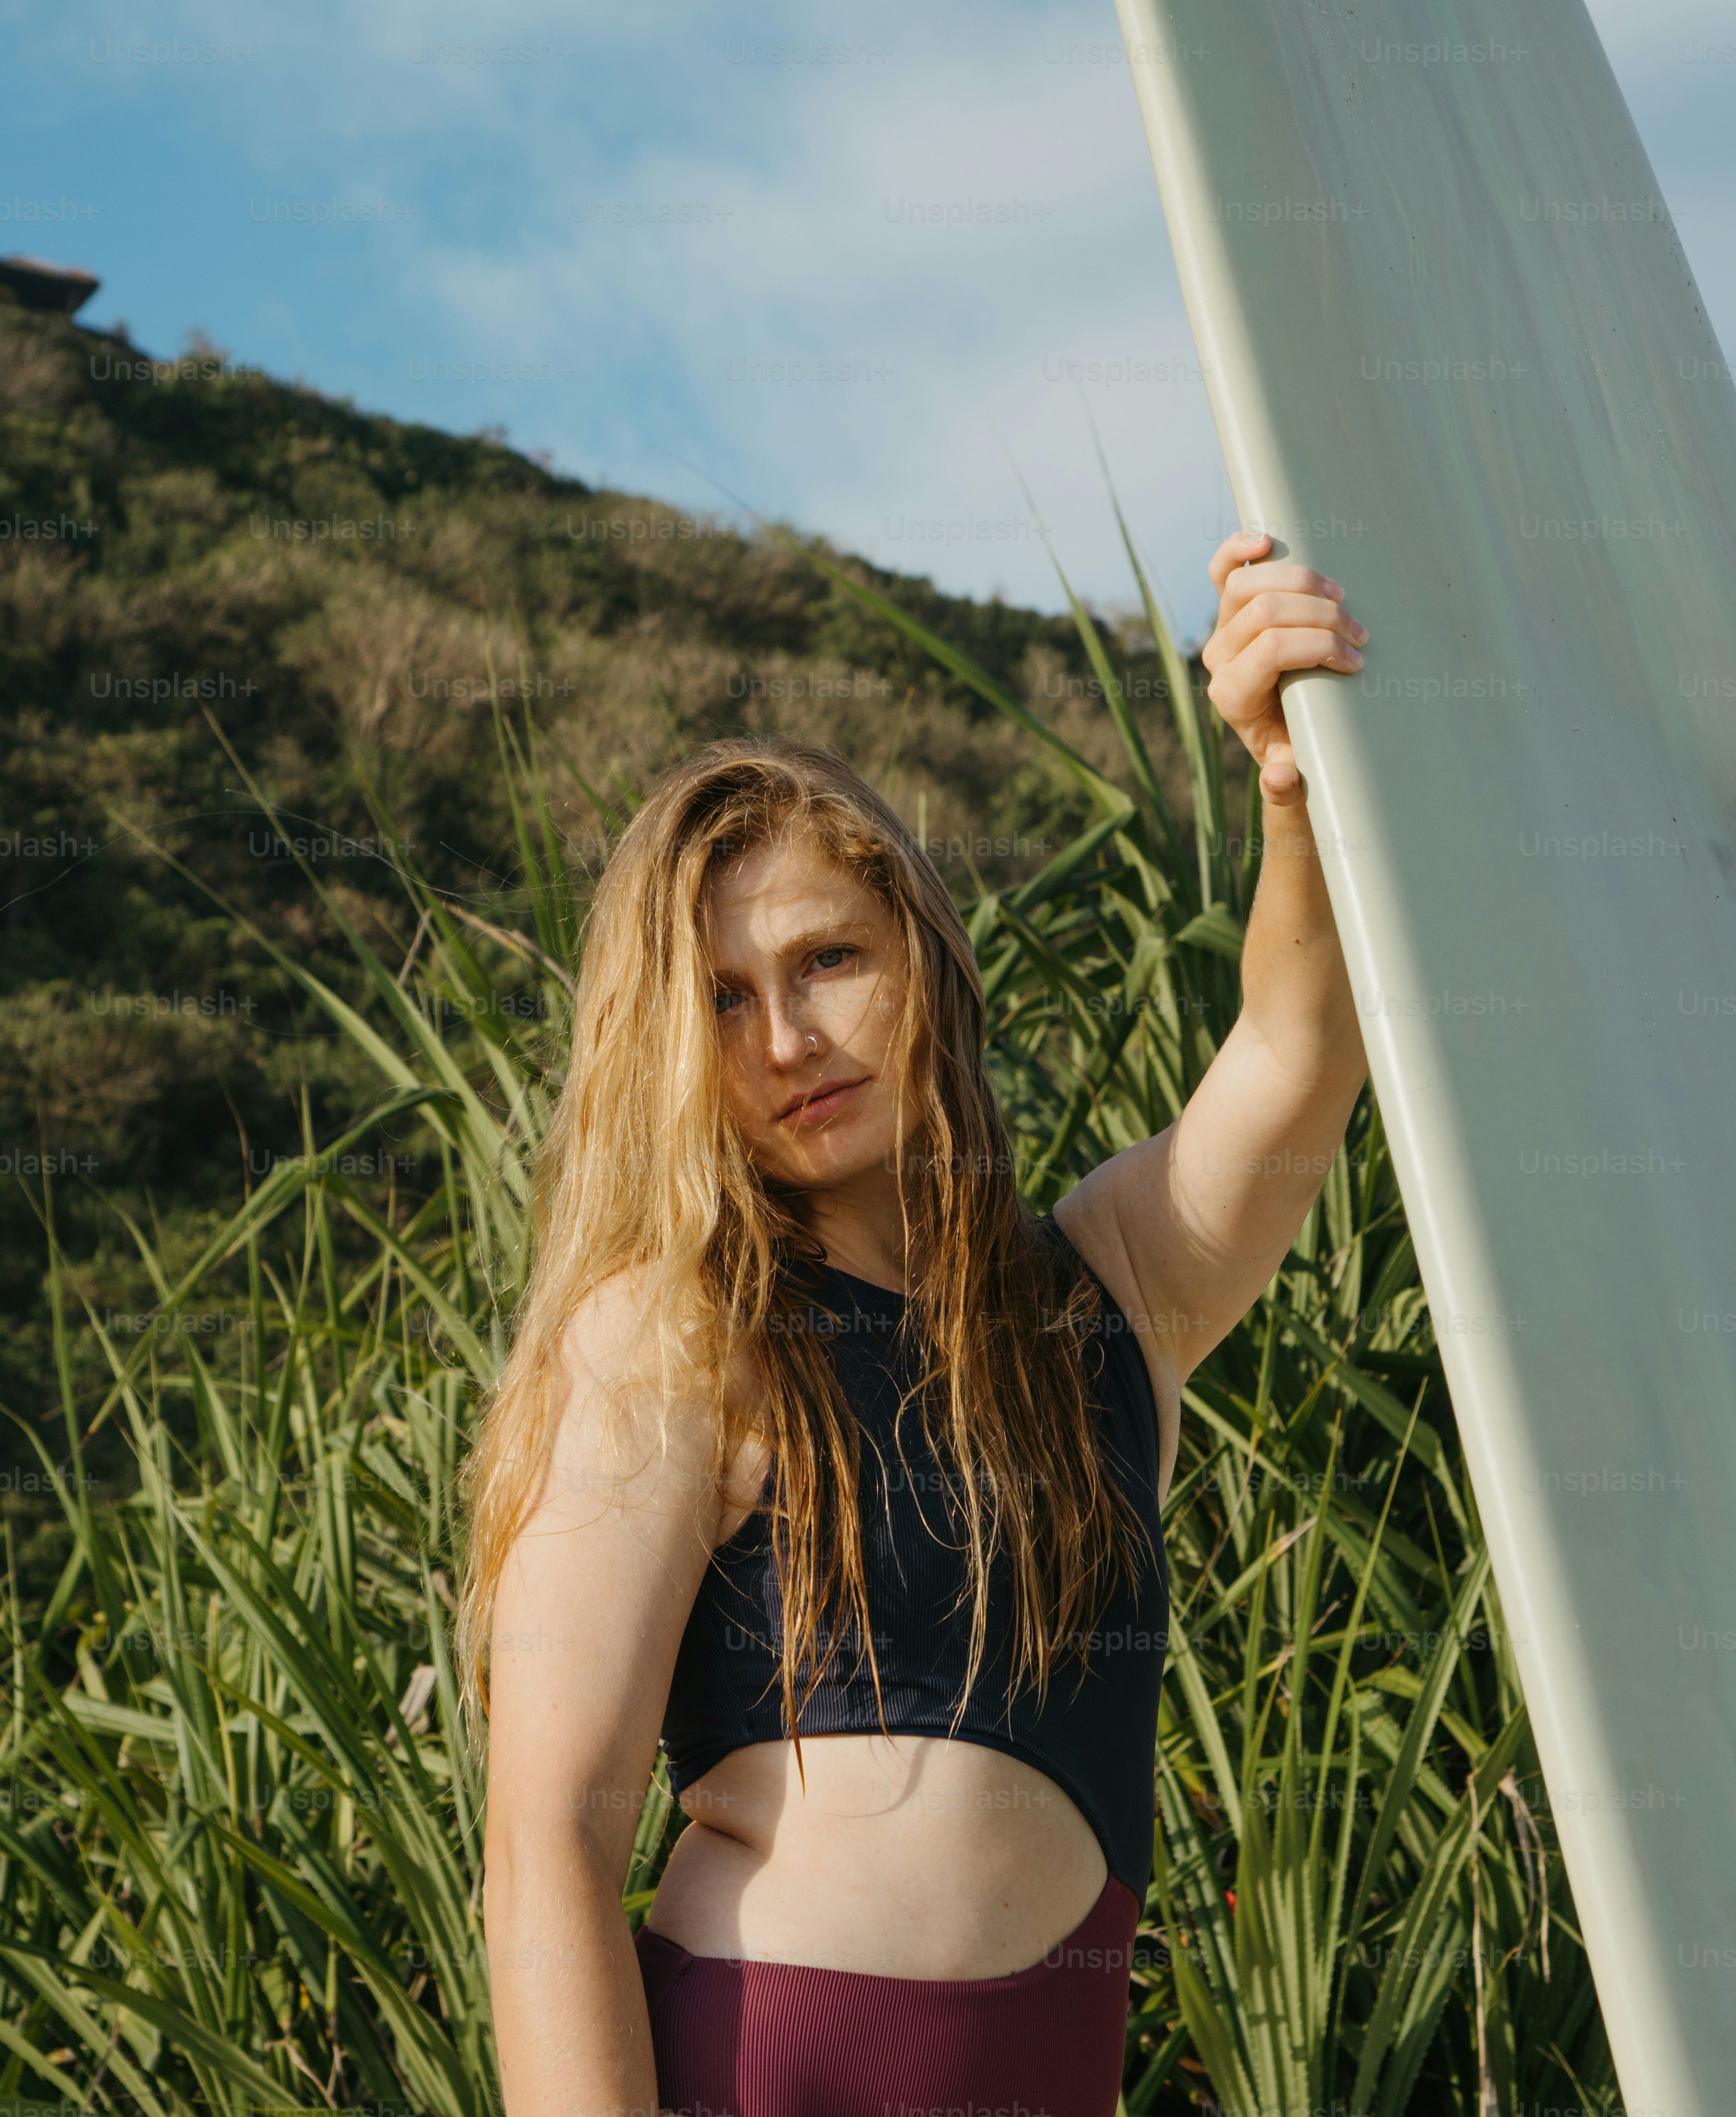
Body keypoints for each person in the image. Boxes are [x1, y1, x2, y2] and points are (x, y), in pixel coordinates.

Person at [466, 530, 1372, 2115]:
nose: (788, 1040)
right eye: (723, 1003)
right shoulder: (674, 1336)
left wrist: (1294, 794)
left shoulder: (1113, 1291)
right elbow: (547, 1844)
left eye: (829, 961)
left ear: (923, 962)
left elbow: (1298, 1050)